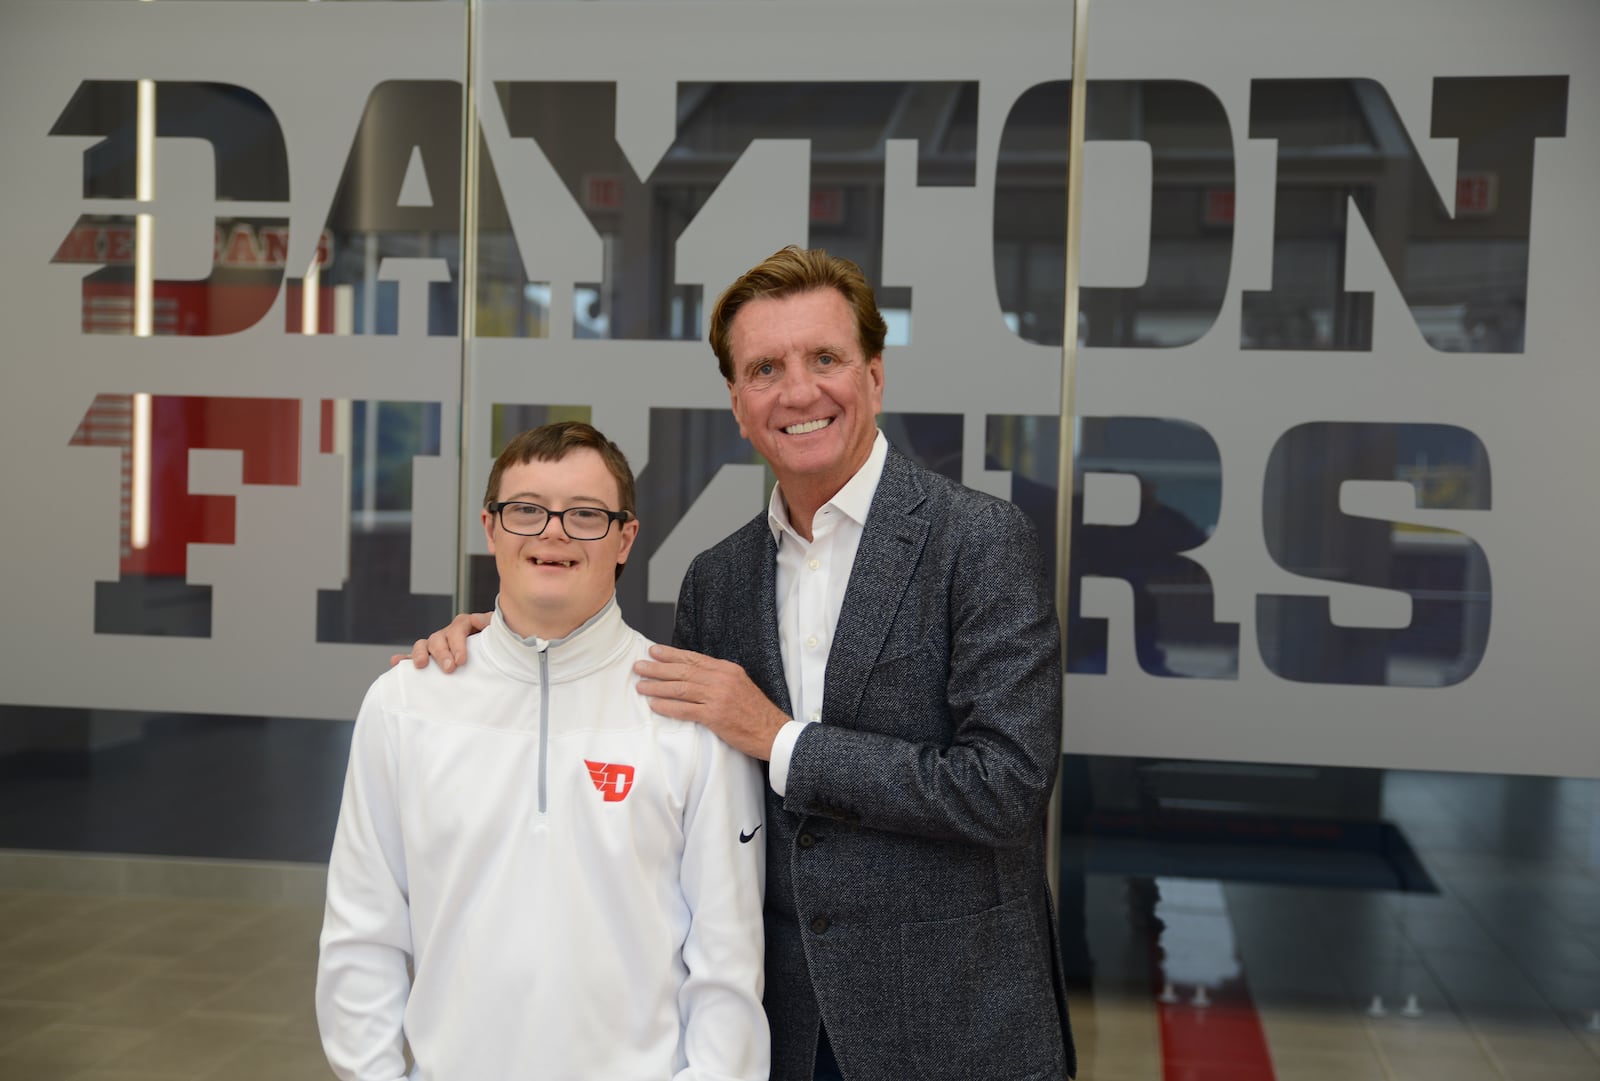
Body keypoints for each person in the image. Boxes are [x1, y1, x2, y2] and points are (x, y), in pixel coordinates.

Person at [410, 249, 1076, 1081]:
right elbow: (672, 767)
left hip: (954, 1027)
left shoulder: (978, 541)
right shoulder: (717, 580)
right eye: (765, 368)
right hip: (781, 1029)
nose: (797, 391)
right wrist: (502, 643)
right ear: (737, 402)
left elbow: (1005, 784)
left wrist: (781, 738)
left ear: (874, 375)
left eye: (824, 358)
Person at [321, 421, 768, 1081]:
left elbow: (726, 964)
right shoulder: (404, 705)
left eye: (585, 514)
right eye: (527, 509)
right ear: (490, 527)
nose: (552, 532)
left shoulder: (689, 711)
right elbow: (363, 935)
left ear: (625, 537)